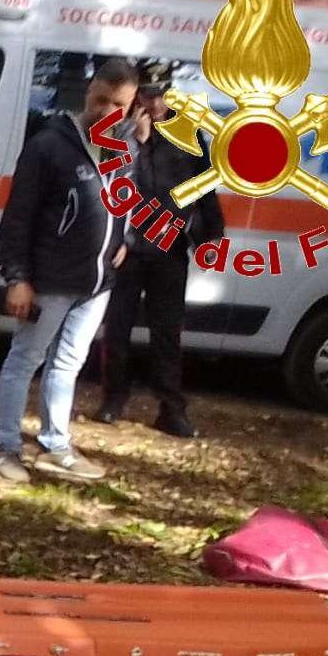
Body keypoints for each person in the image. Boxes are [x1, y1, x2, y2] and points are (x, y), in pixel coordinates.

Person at [0, 58, 139, 483]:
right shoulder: (48, 146)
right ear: (88, 92)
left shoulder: (121, 148)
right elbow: (18, 218)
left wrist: (124, 240)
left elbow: (125, 202)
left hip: (96, 283)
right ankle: (6, 449)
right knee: (25, 360)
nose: (108, 112)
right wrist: (17, 278)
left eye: (119, 106)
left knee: (68, 364)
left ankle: (55, 445)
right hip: (49, 280)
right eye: (102, 100)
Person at [95, 63, 226, 438]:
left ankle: (170, 409)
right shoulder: (122, 133)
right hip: (127, 247)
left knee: (167, 333)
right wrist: (136, 141)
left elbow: (205, 188)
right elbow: (112, 181)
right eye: (147, 96)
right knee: (117, 328)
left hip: (169, 248)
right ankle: (113, 399)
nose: (153, 104)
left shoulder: (187, 134)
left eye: (160, 96)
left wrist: (211, 235)